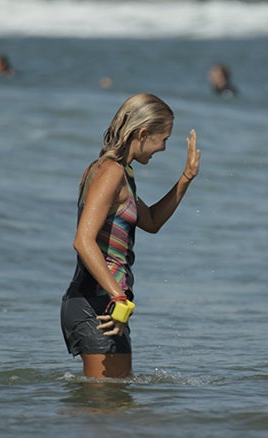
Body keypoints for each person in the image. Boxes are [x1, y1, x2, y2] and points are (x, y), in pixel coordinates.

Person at [61, 93, 201, 379]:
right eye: (163, 139)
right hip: (94, 304)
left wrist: (186, 177)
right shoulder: (109, 171)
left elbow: (151, 222)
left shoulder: (121, 173)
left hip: (107, 307)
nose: (163, 148)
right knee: (105, 412)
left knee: (117, 409)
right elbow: (83, 241)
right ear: (143, 133)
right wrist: (118, 295)